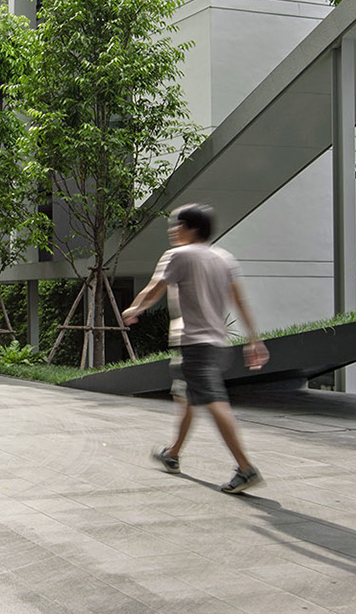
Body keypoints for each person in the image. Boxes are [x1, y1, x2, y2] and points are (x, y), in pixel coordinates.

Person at [123, 203, 269, 494]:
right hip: (216, 344)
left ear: (192, 229)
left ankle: (245, 468)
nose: (173, 230)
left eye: (178, 224)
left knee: (214, 401)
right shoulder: (224, 258)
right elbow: (239, 300)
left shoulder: (179, 255)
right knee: (186, 397)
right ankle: (173, 453)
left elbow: (155, 288)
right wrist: (254, 339)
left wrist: (134, 308)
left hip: (195, 344)